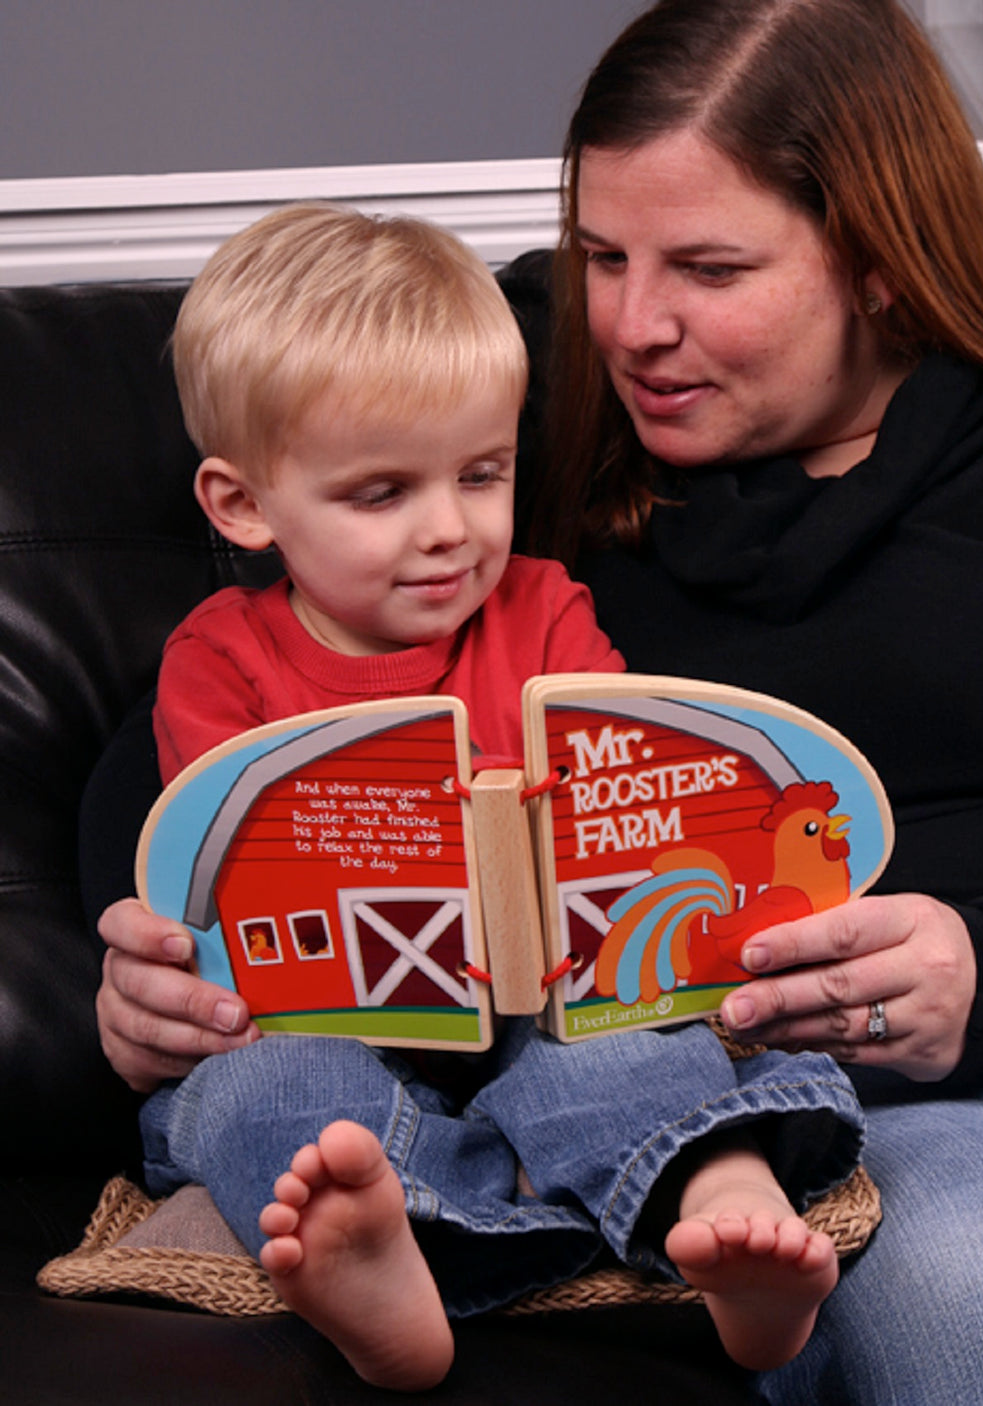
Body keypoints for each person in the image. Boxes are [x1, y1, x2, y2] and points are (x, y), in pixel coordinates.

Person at [93, 0, 983, 1402]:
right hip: (894, 1110)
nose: (633, 323)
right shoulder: (534, 442)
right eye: (600, 254)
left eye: (709, 266)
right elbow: (249, 713)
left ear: (876, 257)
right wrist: (151, 959)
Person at [130, 200, 865, 1392]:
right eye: (381, 494)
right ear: (244, 506)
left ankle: (720, 1203)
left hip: (546, 999)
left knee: (625, 1046)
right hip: (335, 1020)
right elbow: (224, 887)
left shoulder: (544, 610)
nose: (447, 531)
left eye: (481, 474)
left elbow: (624, 802)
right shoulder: (220, 660)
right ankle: (391, 1242)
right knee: (260, 1097)